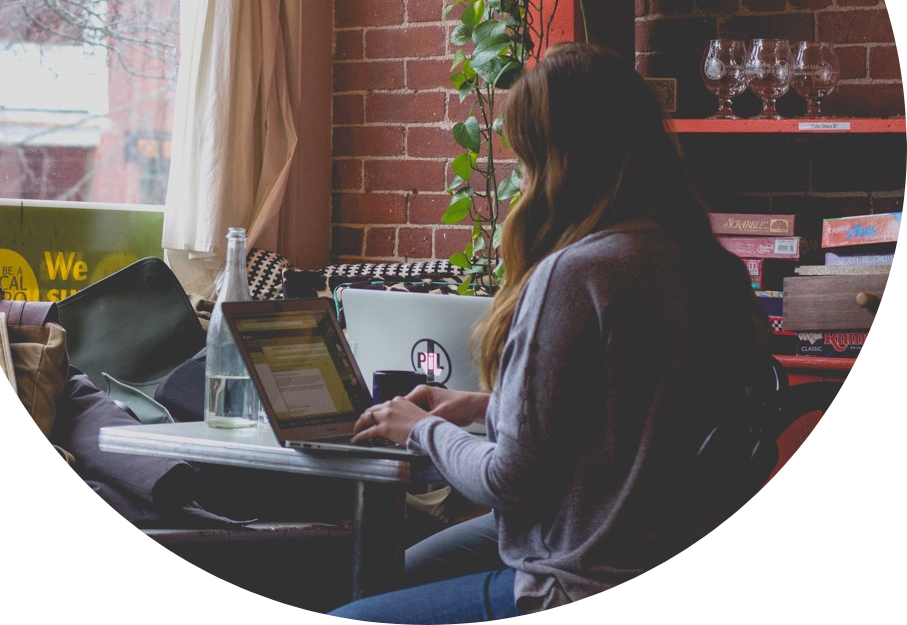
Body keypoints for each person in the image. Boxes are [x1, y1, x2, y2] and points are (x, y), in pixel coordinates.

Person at [327, 42, 771, 620]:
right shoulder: (704, 262)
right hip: (644, 537)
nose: (519, 175)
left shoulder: (577, 273)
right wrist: (482, 406)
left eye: (525, 157)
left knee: (350, 610)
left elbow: (509, 481)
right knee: (394, 573)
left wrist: (418, 430)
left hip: (581, 572)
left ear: (556, 160)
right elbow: (629, 416)